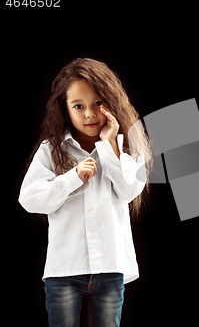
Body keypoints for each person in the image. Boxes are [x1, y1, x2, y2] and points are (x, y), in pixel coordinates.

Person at [19, 58, 152, 327]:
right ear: (65, 109)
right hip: (64, 270)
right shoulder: (51, 150)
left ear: (111, 104)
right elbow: (29, 199)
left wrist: (109, 147)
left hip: (111, 268)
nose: (89, 114)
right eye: (78, 106)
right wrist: (72, 178)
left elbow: (128, 191)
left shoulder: (128, 150)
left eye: (97, 104)